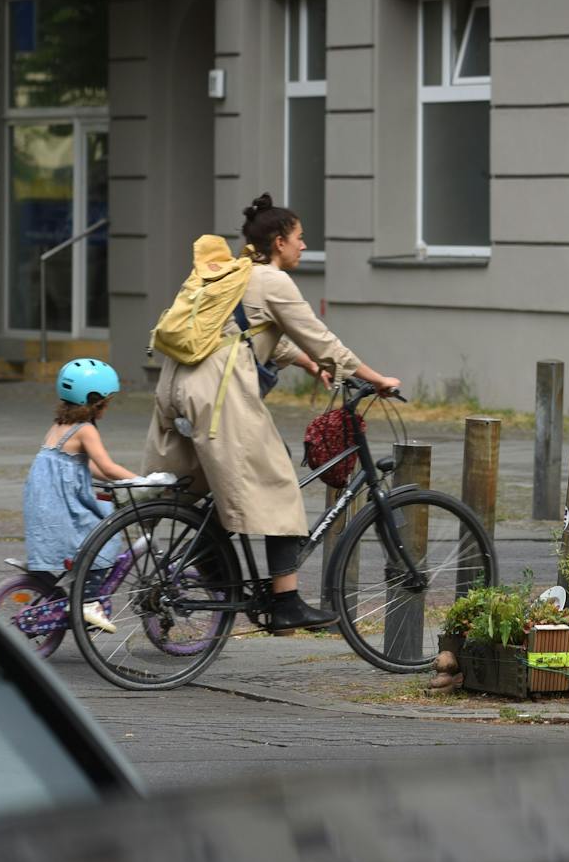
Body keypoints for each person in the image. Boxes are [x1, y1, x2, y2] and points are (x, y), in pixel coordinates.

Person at [143, 193, 402, 632]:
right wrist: (376, 377)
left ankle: (221, 583)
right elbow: (320, 337)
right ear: (279, 241)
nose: (304, 246)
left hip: (177, 388)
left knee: (199, 493)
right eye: (300, 238)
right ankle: (285, 602)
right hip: (217, 395)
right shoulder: (274, 282)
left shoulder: (236, 273)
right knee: (281, 483)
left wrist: (304, 362)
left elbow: (248, 331)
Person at [24, 358, 137, 634]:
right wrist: (143, 481)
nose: (107, 408)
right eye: (106, 402)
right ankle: (88, 602)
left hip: (45, 503)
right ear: (94, 400)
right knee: (102, 539)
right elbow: (108, 467)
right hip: (64, 505)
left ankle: (74, 595)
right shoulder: (85, 430)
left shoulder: (59, 425)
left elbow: (86, 467)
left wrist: (119, 479)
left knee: (82, 543)